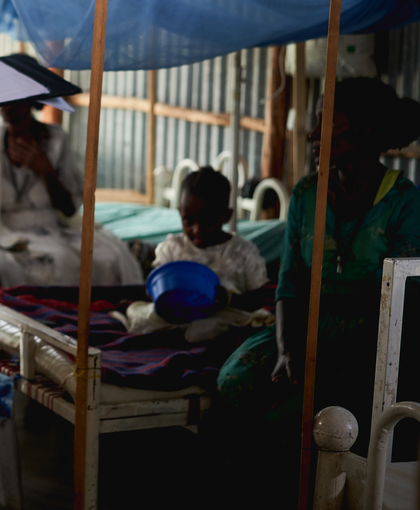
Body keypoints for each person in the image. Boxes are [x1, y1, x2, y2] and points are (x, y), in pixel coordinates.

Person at [213, 77, 420, 505]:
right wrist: (288, 350)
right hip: (305, 329)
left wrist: (328, 355)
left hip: (370, 347)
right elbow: (289, 284)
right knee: (233, 383)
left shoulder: (404, 203)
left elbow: (402, 308)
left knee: (289, 417)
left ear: (363, 133)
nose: (311, 134)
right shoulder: (308, 194)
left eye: (326, 123)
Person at [0, 82, 143, 287]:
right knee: (61, 261)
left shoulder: (56, 139)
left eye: (15, 101)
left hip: (53, 228)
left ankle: (101, 315)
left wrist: (46, 171)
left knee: (113, 255)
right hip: (6, 231)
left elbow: (69, 210)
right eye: (2, 100)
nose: (7, 109)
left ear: (33, 101)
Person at [117, 166, 270, 341]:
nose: (197, 229)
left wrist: (227, 298)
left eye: (208, 221)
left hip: (223, 314)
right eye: (188, 220)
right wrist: (158, 295)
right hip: (176, 312)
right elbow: (153, 287)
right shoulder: (174, 248)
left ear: (226, 216)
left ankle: (181, 333)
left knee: (215, 327)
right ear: (180, 213)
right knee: (147, 316)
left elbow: (259, 298)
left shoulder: (242, 252)